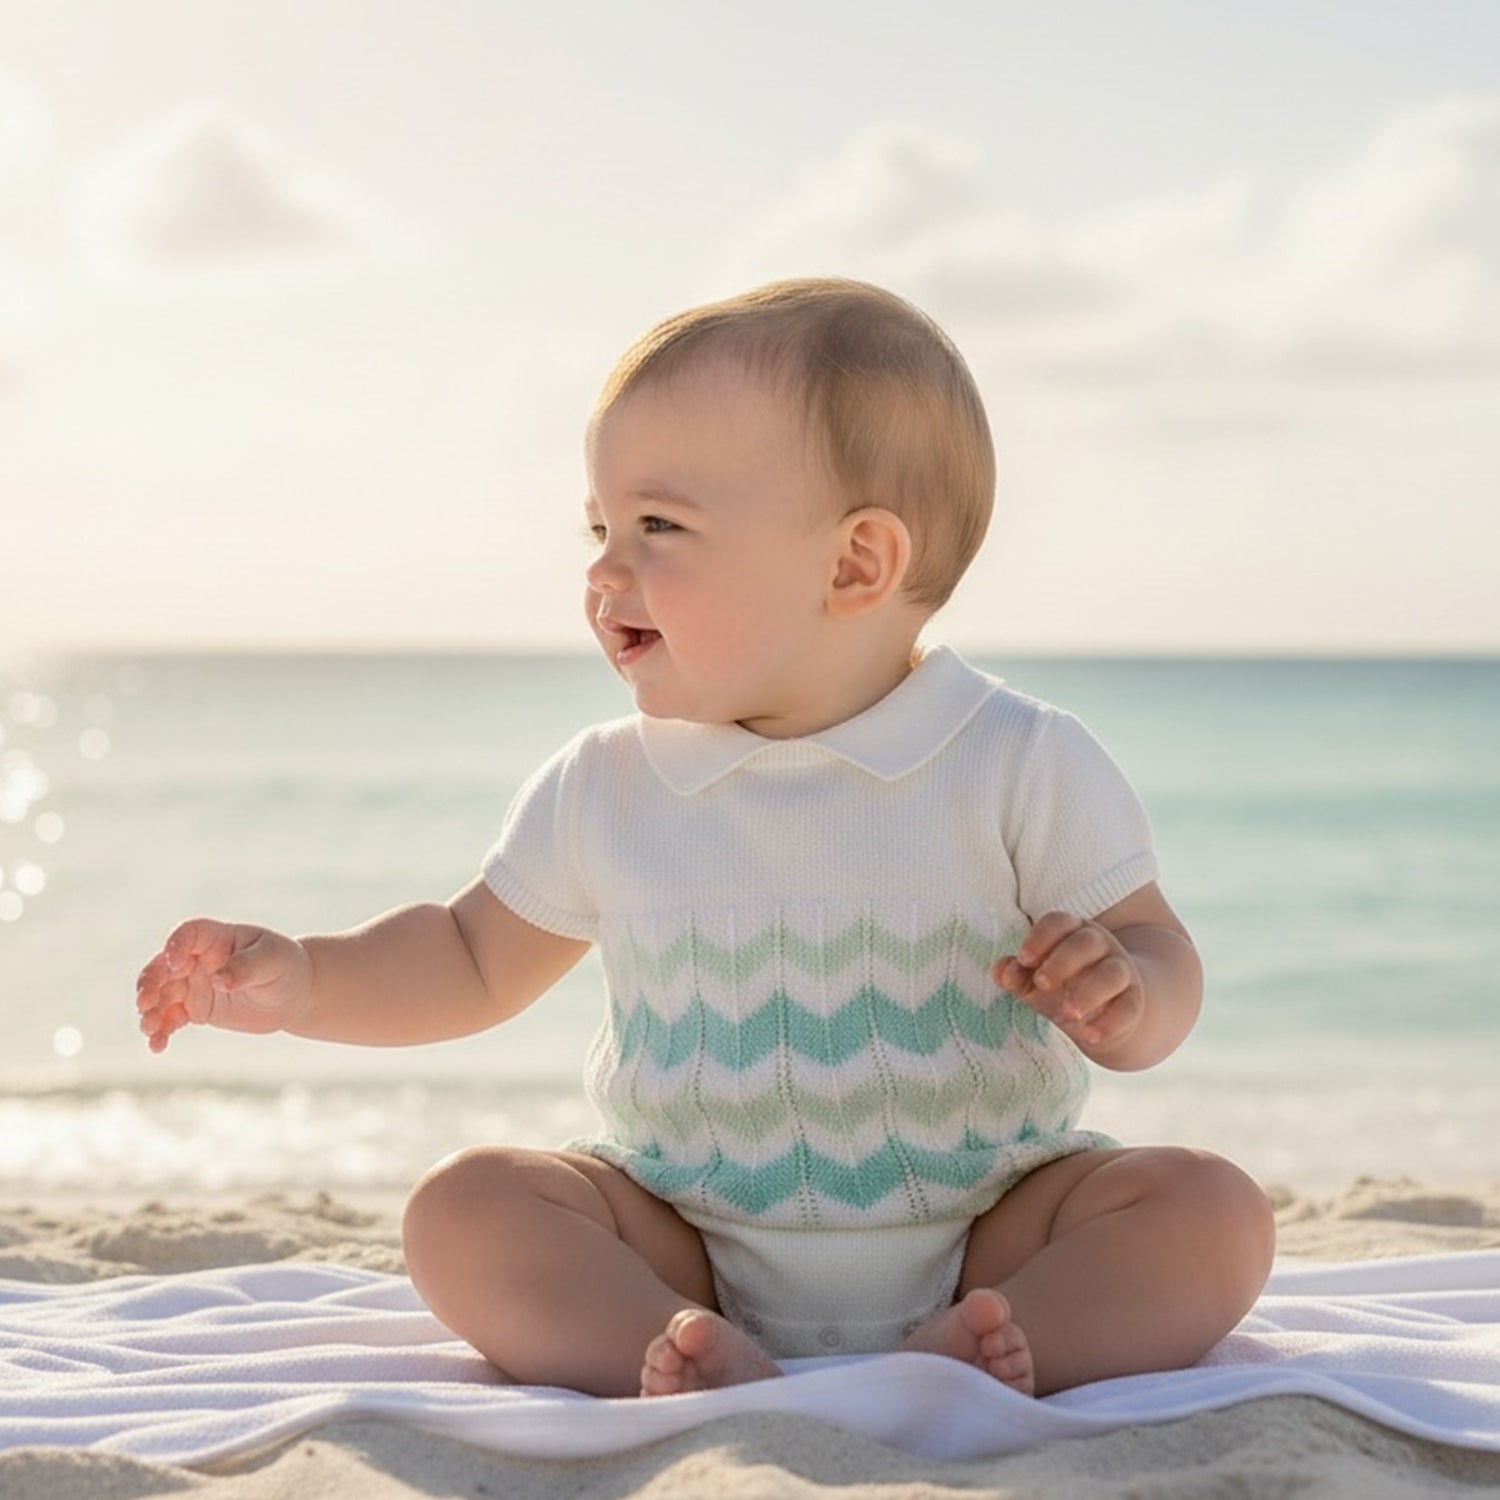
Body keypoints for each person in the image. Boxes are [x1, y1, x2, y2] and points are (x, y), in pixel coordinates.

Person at [135, 278, 1275, 1401]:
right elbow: (467, 957)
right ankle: (672, 1349)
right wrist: (304, 981)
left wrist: (1126, 995)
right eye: (601, 527)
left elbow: (1157, 951)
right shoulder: (609, 784)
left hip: (992, 1222)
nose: (602, 571)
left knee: (1213, 1215)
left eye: (659, 526)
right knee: (462, 1210)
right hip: (686, 1233)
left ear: (854, 565)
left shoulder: (1014, 756)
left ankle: (989, 1344)